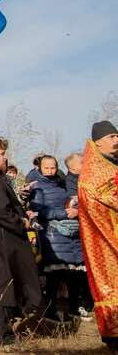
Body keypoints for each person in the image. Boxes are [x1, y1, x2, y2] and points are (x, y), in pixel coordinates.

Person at [0, 135, 42, 347]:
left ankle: (7, 327)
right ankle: (3, 334)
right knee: (2, 283)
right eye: (1, 154)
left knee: (2, 281)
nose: (5, 157)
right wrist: (21, 222)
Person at [28, 155, 88, 322]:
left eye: (53, 167)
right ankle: (51, 310)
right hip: (52, 234)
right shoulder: (37, 187)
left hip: (70, 233)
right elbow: (39, 211)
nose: (50, 171)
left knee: (74, 272)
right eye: (46, 168)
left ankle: (74, 308)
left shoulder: (62, 183)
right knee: (54, 275)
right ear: (40, 168)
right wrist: (64, 214)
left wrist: (76, 210)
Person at [79, 120, 118, 351]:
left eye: (117, 135)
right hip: (104, 236)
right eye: (111, 136)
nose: (116, 140)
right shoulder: (93, 171)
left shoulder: (112, 163)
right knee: (111, 284)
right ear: (98, 142)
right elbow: (96, 197)